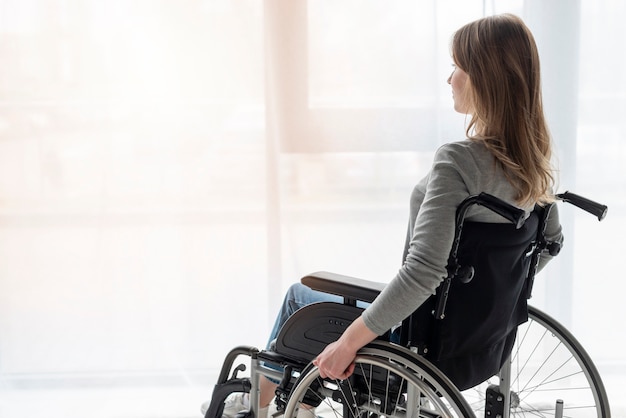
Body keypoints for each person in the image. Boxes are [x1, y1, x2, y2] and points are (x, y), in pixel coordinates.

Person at [202, 12, 563, 418]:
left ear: (485, 78)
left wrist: (349, 343)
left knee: (299, 298)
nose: (449, 79)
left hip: (417, 339)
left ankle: (254, 405)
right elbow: (548, 245)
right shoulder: (535, 165)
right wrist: (483, 299)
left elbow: (422, 274)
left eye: (457, 68)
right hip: (478, 342)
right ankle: (300, 402)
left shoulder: (458, 162)